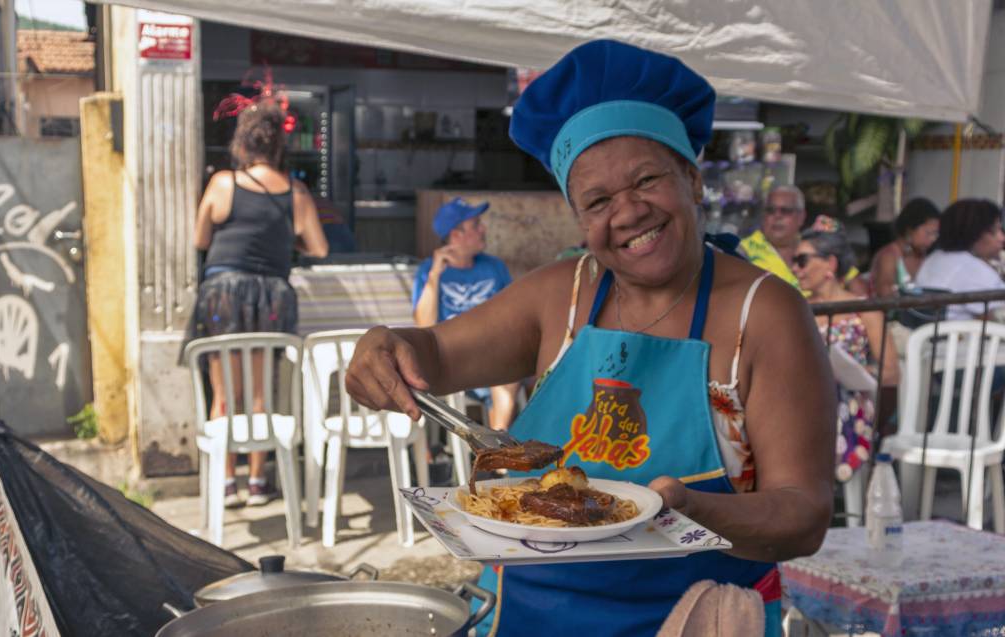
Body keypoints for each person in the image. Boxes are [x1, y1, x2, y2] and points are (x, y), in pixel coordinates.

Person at [345, 40, 834, 637]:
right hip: (529, 615)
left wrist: (693, 511)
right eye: (597, 201)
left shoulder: (766, 313)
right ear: (579, 218)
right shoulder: (560, 295)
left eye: (647, 179)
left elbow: (804, 514)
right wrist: (387, 344)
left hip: (690, 617)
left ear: (693, 178)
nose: (626, 212)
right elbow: (435, 353)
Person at [188, 98, 329, 507]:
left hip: (223, 294)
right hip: (271, 295)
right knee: (259, 392)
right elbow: (318, 248)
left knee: (223, 393)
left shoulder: (223, 183)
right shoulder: (296, 192)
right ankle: (256, 483)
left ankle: (226, 482)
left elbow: (200, 239)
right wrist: (288, 239)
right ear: (278, 146)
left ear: (244, 144)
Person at [792, 216, 899, 483]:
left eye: (802, 260)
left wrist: (853, 370)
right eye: (794, 261)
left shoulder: (865, 309)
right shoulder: (795, 308)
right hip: (801, 398)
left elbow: (890, 372)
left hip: (850, 402)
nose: (795, 269)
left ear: (830, 263)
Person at [412, 198, 519, 431]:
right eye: (476, 225)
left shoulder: (494, 266)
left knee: (515, 372)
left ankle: (497, 458)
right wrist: (435, 276)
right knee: (506, 376)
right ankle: (499, 456)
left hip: (493, 353)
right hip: (451, 359)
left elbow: (514, 313)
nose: (484, 229)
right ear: (456, 234)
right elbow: (424, 324)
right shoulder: (429, 271)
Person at [914, 199, 1005, 320]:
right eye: (994, 231)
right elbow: (997, 318)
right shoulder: (973, 269)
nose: (1002, 238)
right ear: (974, 234)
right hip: (962, 338)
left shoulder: (934, 258)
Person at [868, 197, 940, 298]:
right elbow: (884, 294)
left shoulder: (926, 255)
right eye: (928, 233)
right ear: (910, 229)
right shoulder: (889, 256)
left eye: (936, 234)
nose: (933, 239)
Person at [740, 186, 807, 288]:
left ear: (801, 217)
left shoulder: (813, 251)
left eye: (785, 210)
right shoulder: (742, 251)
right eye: (770, 210)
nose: (777, 216)